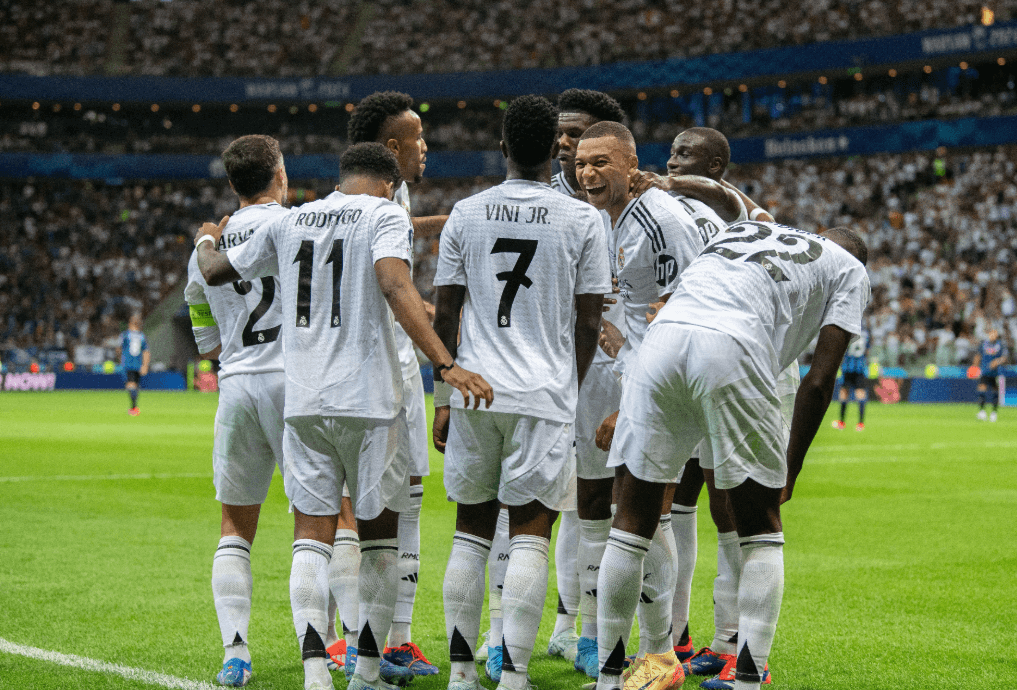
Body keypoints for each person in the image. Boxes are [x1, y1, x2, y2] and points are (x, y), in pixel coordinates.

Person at [193, 142, 493, 690]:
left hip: (303, 402)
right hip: (366, 400)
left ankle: (313, 676)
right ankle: (366, 671)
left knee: (311, 535)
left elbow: (212, 272)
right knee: (377, 537)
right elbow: (394, 282)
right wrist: (445, 364)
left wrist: (208, 235)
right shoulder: (383, 214)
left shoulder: (295, 218)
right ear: (386, 182)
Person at [595, 223, 869, 690]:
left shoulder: (749, 228)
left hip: (662, 342)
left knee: (631, 522)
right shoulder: (850, 269)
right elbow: (819, 381)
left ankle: (609, 677)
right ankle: (747, 677)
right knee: (760, 530)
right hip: (733, 346)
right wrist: (792, 466)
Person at [432, 94, 610, 690]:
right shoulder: (585, 219)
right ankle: (515, 677)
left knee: (470, 530)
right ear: (556, 151)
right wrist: (569, 385)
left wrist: (444, 387)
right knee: (532, 532)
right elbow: (590, 321)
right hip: (543, 395)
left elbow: (447, 313)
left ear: (503, 147)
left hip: (475, 390)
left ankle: (460, 673)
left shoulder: (465, 212)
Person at [573, 120, 726, 686]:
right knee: (645, 511)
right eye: (581, 162)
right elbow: (642, 312)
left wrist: (631, 399)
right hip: (659, 368)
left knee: (637, 513)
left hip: (678, 373)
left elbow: (682, 308)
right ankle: (660, 653)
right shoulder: (614, 220)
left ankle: (653, 655)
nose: (587, 172)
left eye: (601, 162)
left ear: (630, 164)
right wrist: (618, 342)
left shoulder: (656, 220)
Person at [342, 91, 445, 677]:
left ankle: (392, 637)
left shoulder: (387, 195)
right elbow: (391, 284)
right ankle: (368, 643)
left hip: (386, 361)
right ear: (390, 146)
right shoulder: (376, 198)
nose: (426, 146)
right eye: (418, 136)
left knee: (401, 496)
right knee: (371, 507)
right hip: (379, 365)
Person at [183, 134, 289, 688]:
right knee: (326, 519)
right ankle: (331, 647)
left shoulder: (210, 245)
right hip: (296, 384)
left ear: (231, 185)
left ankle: (237, 654)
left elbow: (204, 337)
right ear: (279, 174)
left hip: (238, 384)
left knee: (234, 527)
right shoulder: (295, 226)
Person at [833, 328, 870, 431]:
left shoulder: (847, 330)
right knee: (860, 394)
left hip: (848, 367)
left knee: (844, 393)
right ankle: (860, 423)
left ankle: (841, 422)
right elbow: (867, 351)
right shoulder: (866, 334)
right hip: (860, 368)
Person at [117, 313, 149, 415]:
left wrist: (120, 358)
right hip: (138, 364)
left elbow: (118, 348)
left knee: (130, 385)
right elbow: (146, 352)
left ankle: (134, 408)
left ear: (130, 323)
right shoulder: (142, 336)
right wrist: (145, 365)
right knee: (135, 385)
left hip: (128, 364)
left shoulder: (125, 335)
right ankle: (134, 407)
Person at [974, 327, 1008, 422]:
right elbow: (978, 356)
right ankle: (982, 412)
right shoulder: (983, 344)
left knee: (995, 392)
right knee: (981, 389)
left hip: (997, 372)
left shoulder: (1001, 345)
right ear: (989, 334)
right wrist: (974, 367)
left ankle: (994, 413)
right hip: (985, 371)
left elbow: (1005, 358)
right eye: (991, 333)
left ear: (997, 335)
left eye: (995, 333)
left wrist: (997, 361)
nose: (993, 335)